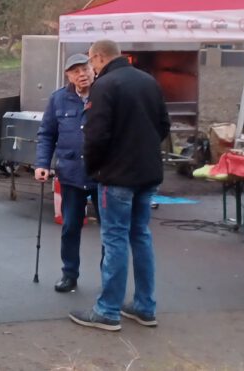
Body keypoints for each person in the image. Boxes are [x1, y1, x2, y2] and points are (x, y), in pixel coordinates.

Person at [70, 39, 169, 332]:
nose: (91, 67)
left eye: (91, 61)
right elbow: (164, 125)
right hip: (147, 173)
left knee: (114, 239)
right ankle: (144, 306)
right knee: (140, 236)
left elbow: (96, 136)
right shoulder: (149, 81)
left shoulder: (105, 86)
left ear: (99, 58)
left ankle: (108, 310)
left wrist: (93, 168)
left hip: (116, 177)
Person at [35, 53, 98, 294]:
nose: (81, 74)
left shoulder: (105, 95)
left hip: (101, 173)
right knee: (70, 227)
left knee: (110, 229)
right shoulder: (58, 99)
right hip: (71, 173)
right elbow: (47, 134)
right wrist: (42, 163)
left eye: (84, 68)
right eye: (75, 71)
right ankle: (69, 274)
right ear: (68, 76)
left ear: (92, 68)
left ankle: (110, 276)